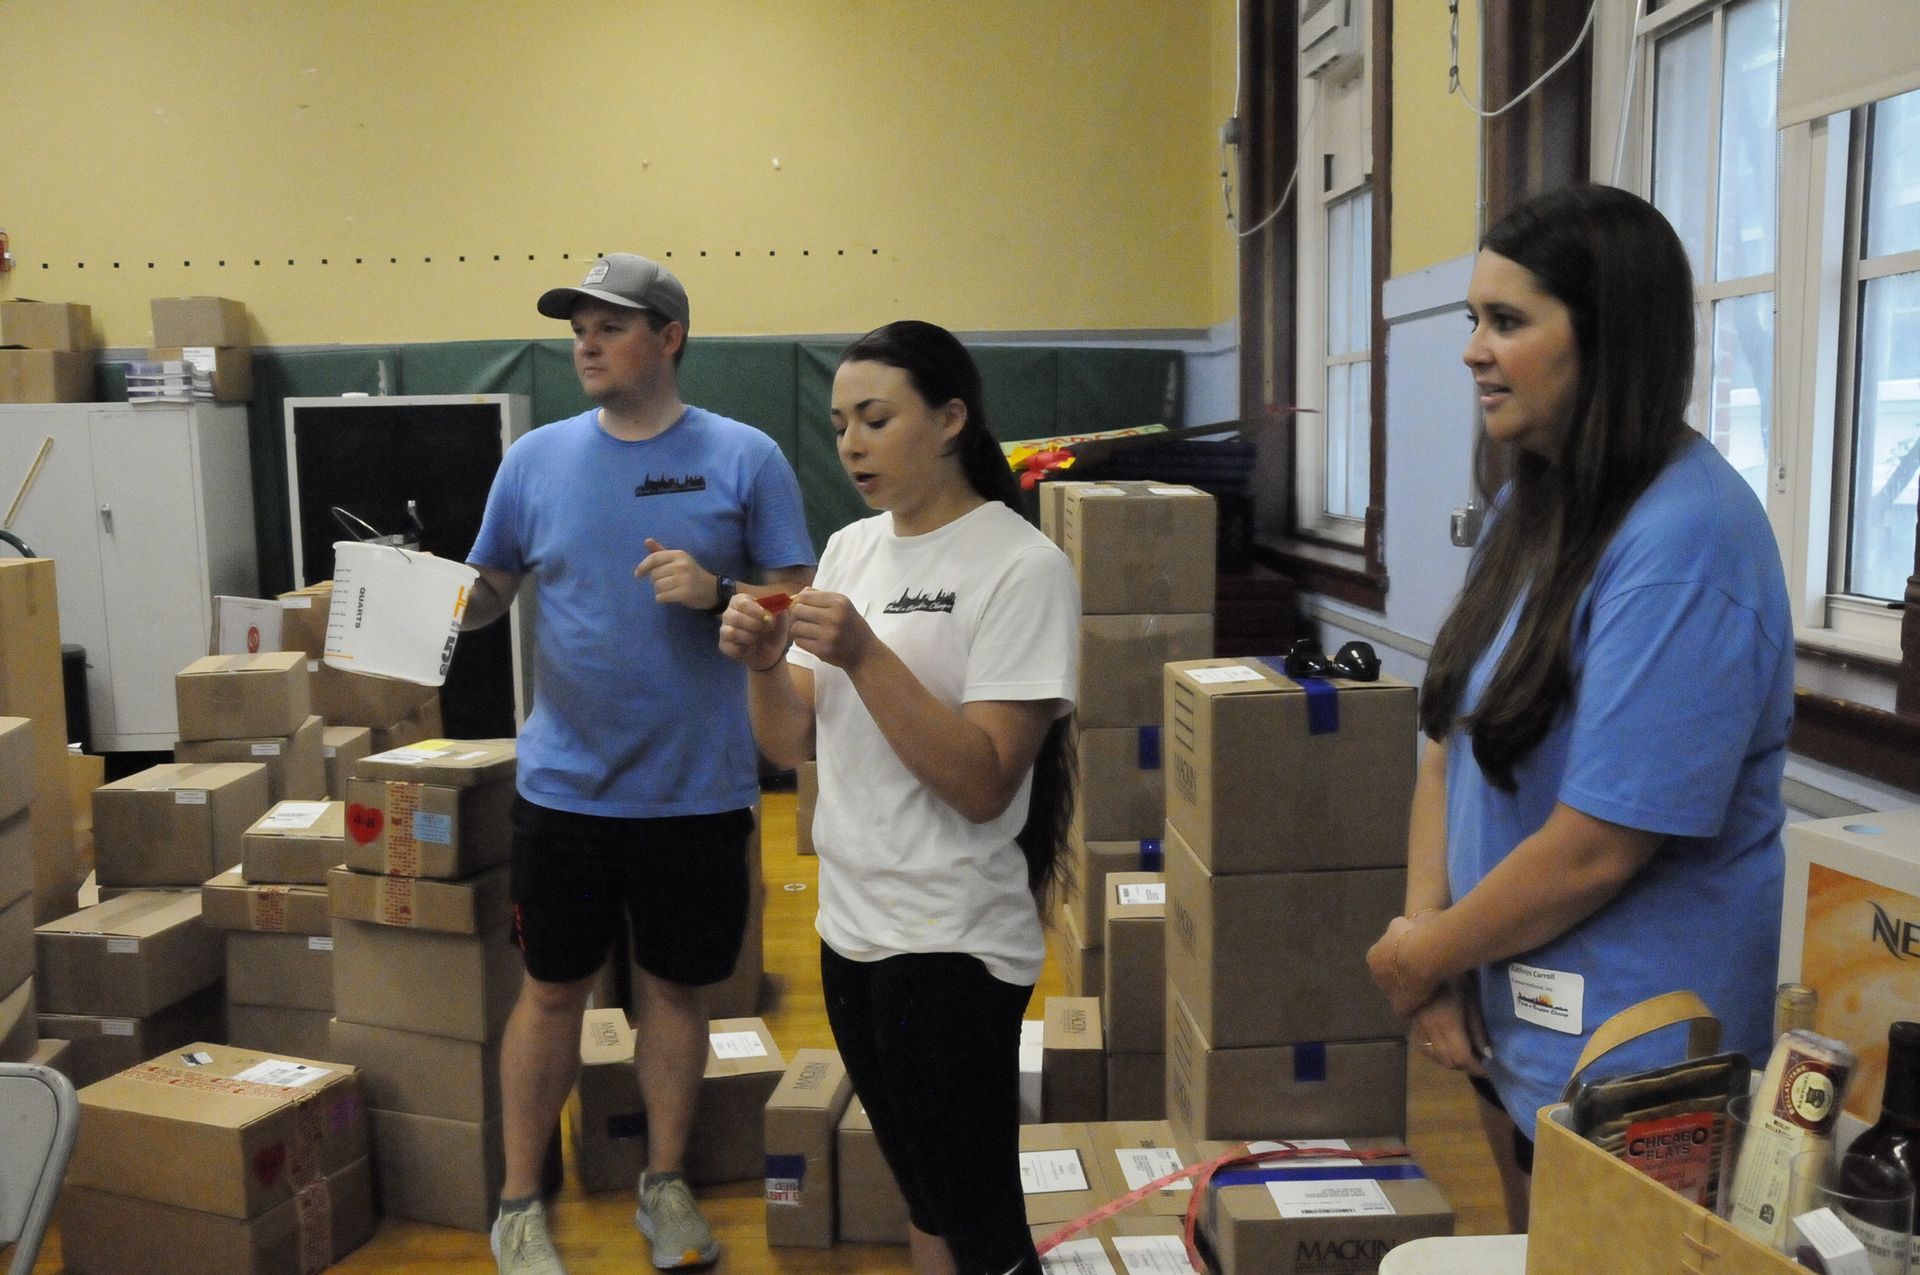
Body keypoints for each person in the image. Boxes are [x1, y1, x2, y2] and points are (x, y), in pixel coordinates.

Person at [1364, 184, 1793, 1231]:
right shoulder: (1536, 503)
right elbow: (1445, 743)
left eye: (1506, 322)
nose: (1472, 349)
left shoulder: (1685, 543)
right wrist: (1437, 940)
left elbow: (1602, 846)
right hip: (1511, 1013)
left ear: (1609, 342)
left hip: (1635, 1052)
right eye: (1472, 317)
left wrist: (1424, 957)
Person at [463, 253, 816, 1274]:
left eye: (609, 324)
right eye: (577, 325)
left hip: (696, 790)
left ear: (669, 338)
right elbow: (491, 585)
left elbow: (794, 596)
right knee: (550, 994)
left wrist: (717, 593)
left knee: (675, 994)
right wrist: (428, 601)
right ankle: (520, 1202)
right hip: (564, 790)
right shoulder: (534, 460)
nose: (584, 341)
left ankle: (664, 1185)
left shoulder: (746, 456)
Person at [718, 320, 1078, 1275]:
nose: (851, 444)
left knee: (981, 1213)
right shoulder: (848, 550)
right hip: (853, 926)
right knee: (922, 1190)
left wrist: (868, 653)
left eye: (875, 419)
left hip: (952, 940)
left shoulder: (1021, 566)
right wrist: (763, 665)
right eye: (839, 423)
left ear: (952, 418)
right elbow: (794, 738)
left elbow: (984, 780)